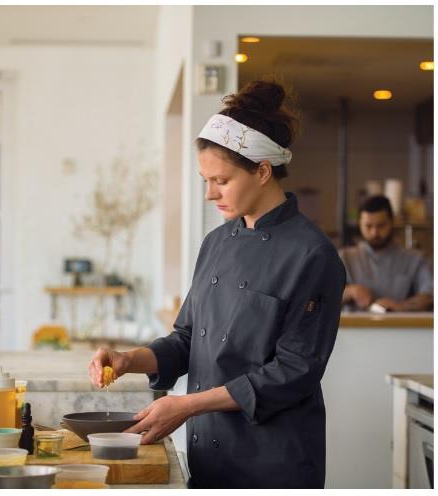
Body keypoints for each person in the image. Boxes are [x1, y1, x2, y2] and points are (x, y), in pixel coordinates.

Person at [88, 79, 346, 489]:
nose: (210, 194)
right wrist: (129, 359)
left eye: (221, 181)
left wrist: (188, 405)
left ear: (262, 171)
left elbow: (294, 372)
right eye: (204, 180)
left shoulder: (313, 255)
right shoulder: (217, 242)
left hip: (273, 464)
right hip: (209, 458)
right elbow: (187, 340)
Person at [339, 195, 433, 312]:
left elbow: (430, 295)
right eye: (368, 226)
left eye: (381, 225)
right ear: (360, 224)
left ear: (392, 222)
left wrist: (402, 306)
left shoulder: (416, 259)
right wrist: (349, 292)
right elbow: (321, 295)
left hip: (399, 323)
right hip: (354, 323)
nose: (374, 233)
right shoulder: (344, 258)